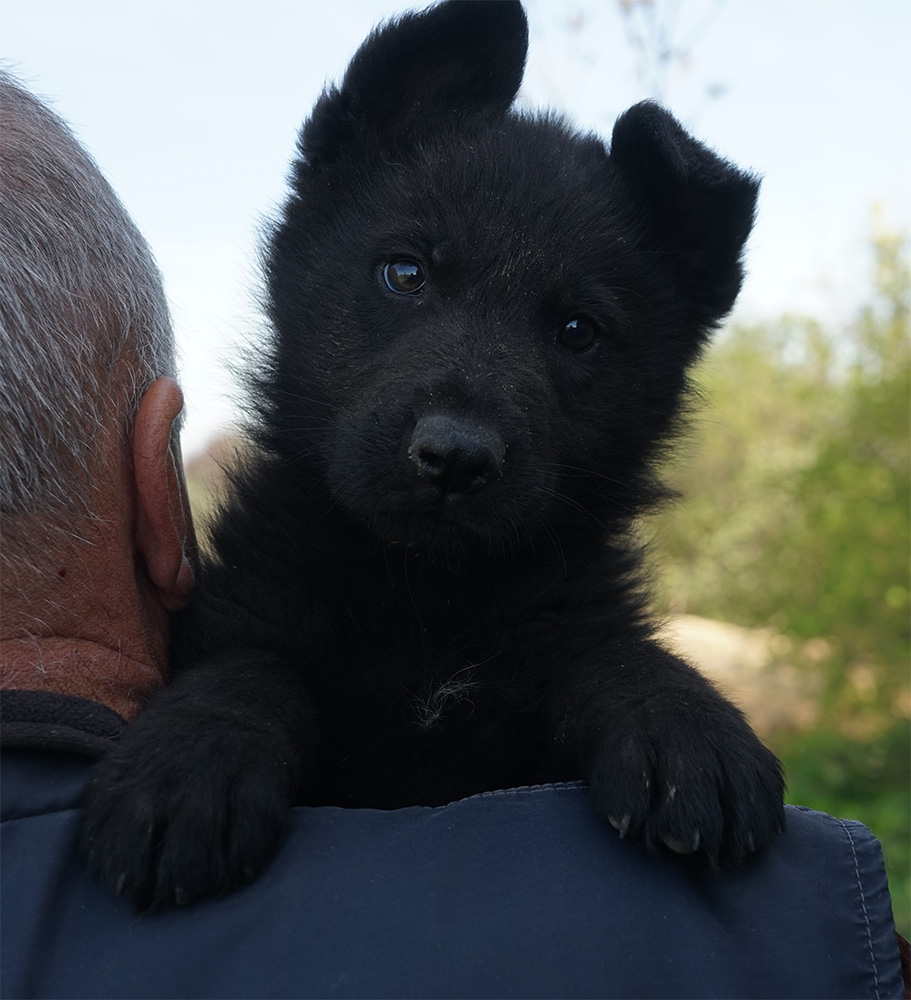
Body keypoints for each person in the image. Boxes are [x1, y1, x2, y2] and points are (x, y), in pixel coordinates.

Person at [0, 70, 906, 1000]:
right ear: (303, 252)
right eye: (407, 274)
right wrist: (239, 701)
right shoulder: (244, 619)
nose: (460, 425)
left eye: (574, 331)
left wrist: (633, 690)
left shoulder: (588, 663)